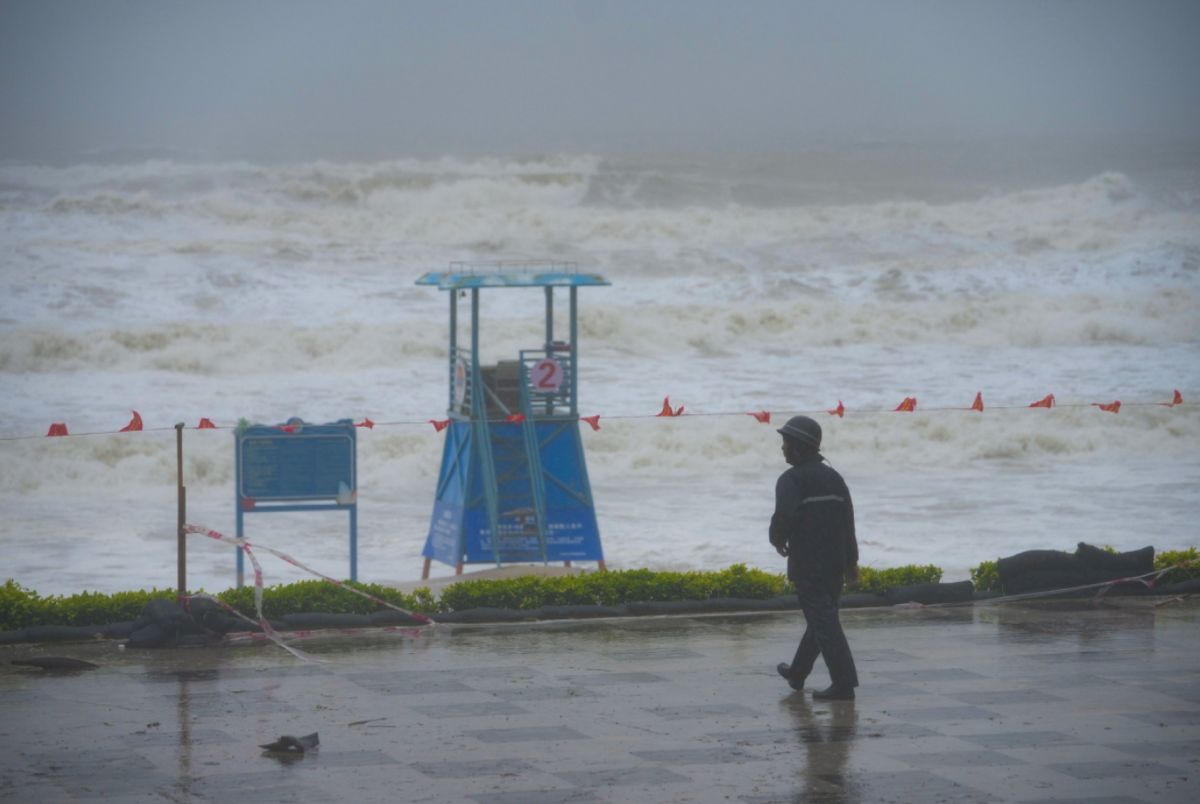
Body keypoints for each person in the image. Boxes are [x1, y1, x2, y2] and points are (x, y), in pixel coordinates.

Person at [770, 415, 860, 700]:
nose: (782, 449)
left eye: (785, 443)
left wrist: (776, 540)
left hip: (808, 564)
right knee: (822, 618)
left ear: (798, 447)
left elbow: (784, 517)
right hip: (835, 562)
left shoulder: (790, 480)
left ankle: (844, 684)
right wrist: (852, 563)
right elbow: (849, 523)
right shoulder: (834, 478)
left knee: (823, 621)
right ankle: (797, 673)